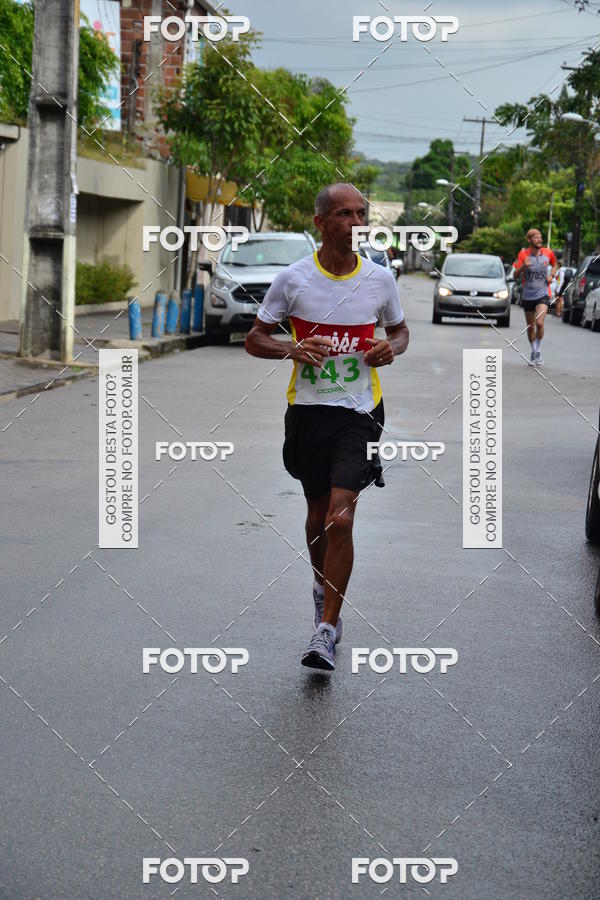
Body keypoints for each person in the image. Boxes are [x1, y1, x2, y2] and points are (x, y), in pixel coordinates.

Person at [245, 183, 409, 671]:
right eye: (344, 213)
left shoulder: (380, 280)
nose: (356, 222)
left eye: (362, 213)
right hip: (308, 415)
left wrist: (390, 349)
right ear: (320, 223)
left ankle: (326, 630)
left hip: (359, 414)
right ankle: (322, 590)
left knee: (341, 517)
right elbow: (255, 338)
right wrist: (290, 349)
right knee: (317, 519)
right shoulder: (293, 280)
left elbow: (399, 331)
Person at [512, 229, 558, 365]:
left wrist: (551, 275)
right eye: (536, 238)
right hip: (528, 294)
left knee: (539, 323)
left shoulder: (548, 253)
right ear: (529, 240)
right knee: (531, 327)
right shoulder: (523, 254)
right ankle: (533, 351)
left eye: (540, 237)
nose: (539, 240)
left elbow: (555, 264)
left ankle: (538, 351)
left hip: (543, 293)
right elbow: (515, 275)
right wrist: (522, 266)